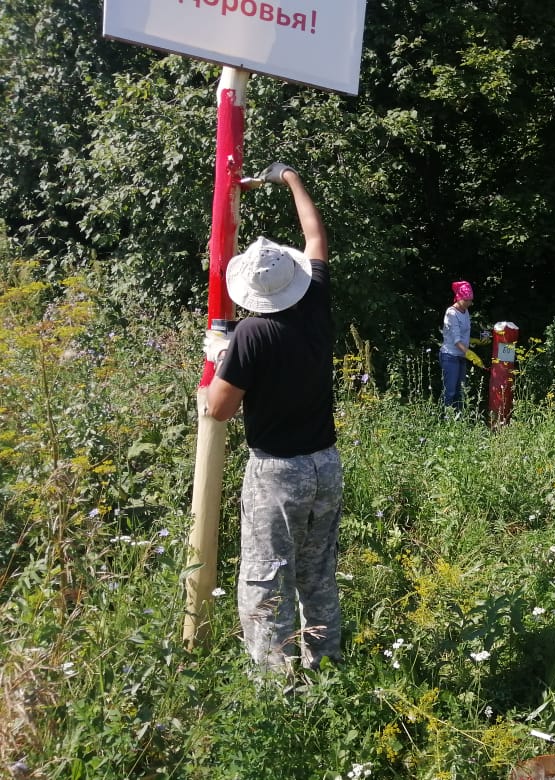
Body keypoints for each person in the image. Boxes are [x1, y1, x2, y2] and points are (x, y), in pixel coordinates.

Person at [205, 163, 343, 674]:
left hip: (277, 473)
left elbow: (219, 409)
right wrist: (291, 178)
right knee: (317, 573)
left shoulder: (250, 336)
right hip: (324, 464)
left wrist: (222, 358)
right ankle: (325, 666)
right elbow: (315, 235)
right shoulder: (317, 305)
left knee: (266, 578)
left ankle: (275, 685)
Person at [438, 280, 483, 410]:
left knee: (460, 392)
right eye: (467, 300)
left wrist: (476, 341)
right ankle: (445, 419)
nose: (470, 303)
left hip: (461, 356)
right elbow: (457, 340)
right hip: (450, 356)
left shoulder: (465, 311)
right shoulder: (451, 313)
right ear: (459, 298)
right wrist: (471, 355)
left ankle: (458, 420)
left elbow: (464, 335)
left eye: (471, 300)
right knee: (450, 391)